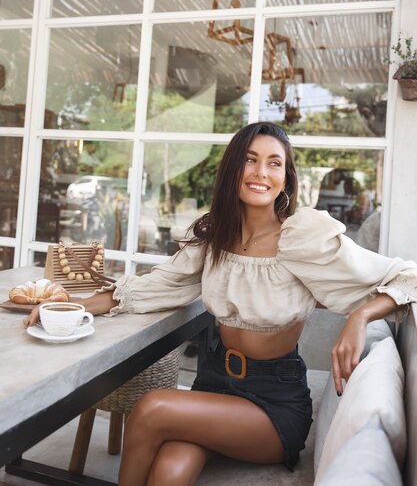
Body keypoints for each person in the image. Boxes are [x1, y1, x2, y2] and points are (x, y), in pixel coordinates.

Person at [25, 122, 417, 486]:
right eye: (250, 159)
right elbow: (160, 284)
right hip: (213, 384)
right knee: (169, 471)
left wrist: (360, 316)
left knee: (152, 407)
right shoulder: (215, 234)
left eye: (274, 163)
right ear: (232, 169)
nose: (261, 172)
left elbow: (407, 276)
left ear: (286, 178)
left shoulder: (302, 239)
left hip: (274, 403)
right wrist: (70, 308)